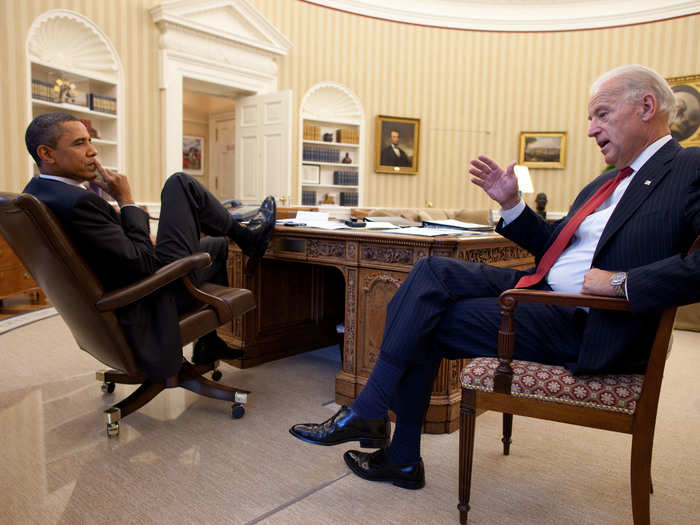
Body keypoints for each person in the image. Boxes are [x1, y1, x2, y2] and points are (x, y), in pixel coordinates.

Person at [289, 65, 700, 490]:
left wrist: (621, 283)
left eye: (601, 114)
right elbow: (554, 247)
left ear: (647, 106)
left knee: (423, 321)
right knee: (430, 272)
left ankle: (388, 436)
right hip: (541, 292)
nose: (591, 130)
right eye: (590, 119)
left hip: (592, 322)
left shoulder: (689, 167)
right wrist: (512, 205)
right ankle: (384, 432)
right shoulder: (605, 184)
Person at [23, 112, 276, 380]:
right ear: (47, 154)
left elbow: (111, 249)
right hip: (150, 296)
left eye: (89, 141)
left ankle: (208, 343)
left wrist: (135, 227)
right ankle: (248, 237)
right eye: (79, 143)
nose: (93, 151)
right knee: (180, 183)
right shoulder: (77, 203)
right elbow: (141, 263)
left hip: (126, 289)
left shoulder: (39, 194)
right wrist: (126, 200)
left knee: (214, 244)